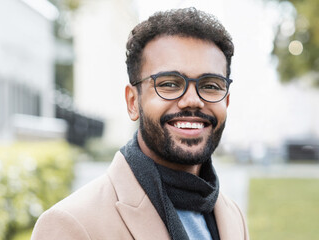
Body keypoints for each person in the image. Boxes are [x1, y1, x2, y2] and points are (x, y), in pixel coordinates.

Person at [31, 7, 248, 240]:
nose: (192, 100)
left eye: (211, 86)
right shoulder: (70, 224)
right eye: (169, 84)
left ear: (226, 101)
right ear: (133, 101)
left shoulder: (232, 215)